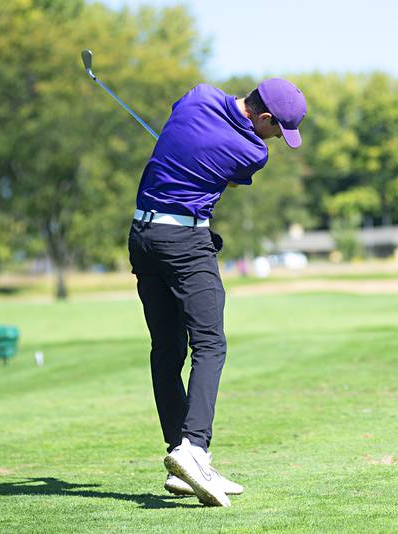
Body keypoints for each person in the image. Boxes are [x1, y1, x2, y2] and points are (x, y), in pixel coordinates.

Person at [127, 79, 306, 507]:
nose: (278, 139)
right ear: (264, 118)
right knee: (210, 343)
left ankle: (181, 460)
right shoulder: (253, 153)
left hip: (142, 236)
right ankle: (195, 450)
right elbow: (230, 176)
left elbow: (182, 123)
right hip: (184, 243)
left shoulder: (198, 95)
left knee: (167, 350)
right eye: (279, 129)